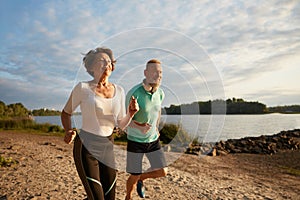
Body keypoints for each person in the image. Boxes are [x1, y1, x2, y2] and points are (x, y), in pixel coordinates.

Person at [61, 47, 139, 200]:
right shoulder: (82, 88)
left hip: (107, 147)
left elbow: (120, 124)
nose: (106, 64)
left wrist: (131, 113)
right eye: (101, 61)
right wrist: (68, 130)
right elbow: (66, 113)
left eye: (109, 61)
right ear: (91, 67)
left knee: (110, 196)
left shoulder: (120, 91)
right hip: (86, 146)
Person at [125, 59, 168, 200]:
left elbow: (158, 111)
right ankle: (128, 197)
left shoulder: (160, 93)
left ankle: (142, 178)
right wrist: (138, 126)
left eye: (160, 72)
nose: (158, 75)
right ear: (146, 73)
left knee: (163, 171)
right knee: (134, 174)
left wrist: (156, 127)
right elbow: (123, 121)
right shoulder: (133, 93)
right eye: (155, 71)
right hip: (135, 141)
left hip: (153, 140)